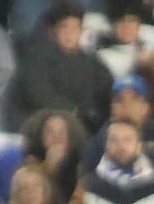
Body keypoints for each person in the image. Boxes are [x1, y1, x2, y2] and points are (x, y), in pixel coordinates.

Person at [17, 3, 113, 134]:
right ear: (52, 31)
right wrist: (75, 112)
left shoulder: (92, 62)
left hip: (88, 128)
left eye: (75, 28)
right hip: (46, 128)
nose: (69, 34)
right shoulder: (35, 60)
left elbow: (108, 89)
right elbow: (41, 96)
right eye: (64, 28)